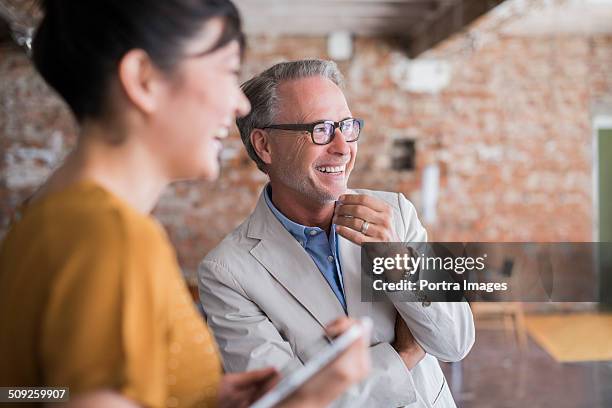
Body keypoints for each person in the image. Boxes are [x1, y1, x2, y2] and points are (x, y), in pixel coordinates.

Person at [0, 3, 370, 408]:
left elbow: (29, 393)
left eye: (346, 127)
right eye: (226, 72)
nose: (239, 105)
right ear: (144, 80)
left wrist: (179, 399)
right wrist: (313, 398)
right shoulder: (113, 236)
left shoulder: (45, 215)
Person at [198, 59, 476, 407]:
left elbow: (455, 342)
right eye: (321, 129)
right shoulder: (227, 272)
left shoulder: (396, 213)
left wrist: (400, 264)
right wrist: (403, 355)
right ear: (264, 146)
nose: (343, 147)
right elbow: (290, 402)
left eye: (347, 126)